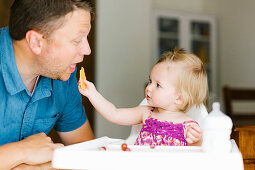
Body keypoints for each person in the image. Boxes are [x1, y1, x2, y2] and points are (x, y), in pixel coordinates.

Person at [0, 0, 95, 169]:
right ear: (36, 42)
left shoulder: (63, 72)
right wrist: (23, 151)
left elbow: (86, 154)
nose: (87, 50)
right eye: (76, 40)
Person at [79, 48, 208, 146]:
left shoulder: (189, 125)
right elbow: (114, 114)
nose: (148, 87)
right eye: (150, 81)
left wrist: (197, 140)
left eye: (158, 85)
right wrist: (92, 94)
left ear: (178, 98)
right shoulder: (146, 113)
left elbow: (198, 154)